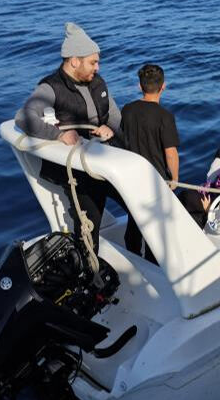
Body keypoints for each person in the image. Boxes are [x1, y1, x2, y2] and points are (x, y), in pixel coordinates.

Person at [15, 22, 123, 251]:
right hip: (78, 170)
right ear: (74, 61)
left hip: (107, 158)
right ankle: (88, 263)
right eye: (93, 62)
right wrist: (59, 135)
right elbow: (24, 117)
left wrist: (111, 130)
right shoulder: (51, 87)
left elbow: (116, 117)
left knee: (140, 199)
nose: (98, 68)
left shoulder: (98, 83)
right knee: (89, 219)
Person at [120, 63, 180, 263]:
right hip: (156, 181)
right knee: (155, 232)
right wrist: (175, 179)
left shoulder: (127, 110)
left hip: (132, 178)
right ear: (163, 87)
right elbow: (171, 153)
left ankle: (134, 260)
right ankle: (153, 267)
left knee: (134, 223)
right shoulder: (165, 117)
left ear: (140, 86)